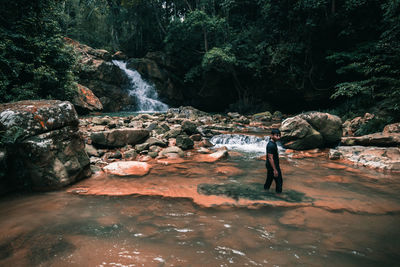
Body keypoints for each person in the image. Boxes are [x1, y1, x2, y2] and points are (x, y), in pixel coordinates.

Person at [264, 128, 283, 193]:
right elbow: (270, 158)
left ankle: (265, 192)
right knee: (279, 182)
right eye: (276, 135)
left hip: (270, 166)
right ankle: (279, 196)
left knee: (269, 180)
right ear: (272, 135)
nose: (278, 137)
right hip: (273, 166)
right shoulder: (271, 145)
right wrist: (275, 169)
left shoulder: (273, 143)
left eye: (279, 135)